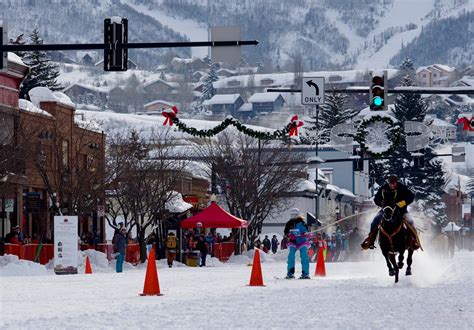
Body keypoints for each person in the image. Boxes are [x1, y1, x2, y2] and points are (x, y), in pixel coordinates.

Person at [361, 174, 420, 250]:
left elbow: (411, 196)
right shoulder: (383, 189)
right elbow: (376, 199)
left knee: (411, 222)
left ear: (396, 182)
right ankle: (371, 240)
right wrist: (382, 204)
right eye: (390, 183)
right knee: (374, 222)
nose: (391, 185)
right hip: (385, 210)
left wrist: (404, 202)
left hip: (401, 211)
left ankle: (413, 240)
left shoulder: (403, 188)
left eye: (393, 183)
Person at [284, 208, 311, 279]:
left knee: (304, 256)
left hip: (302, 242)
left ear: (297, 214)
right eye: (292, 214)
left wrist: (305, 233)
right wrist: (289, 235)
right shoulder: (289, 223)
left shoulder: (302, 223)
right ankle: (290, 273)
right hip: (293, 242)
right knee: (291, 256)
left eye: (294, 214)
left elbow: (306, 231)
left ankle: (305, 273)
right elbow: (286, 232)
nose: (293, 216)